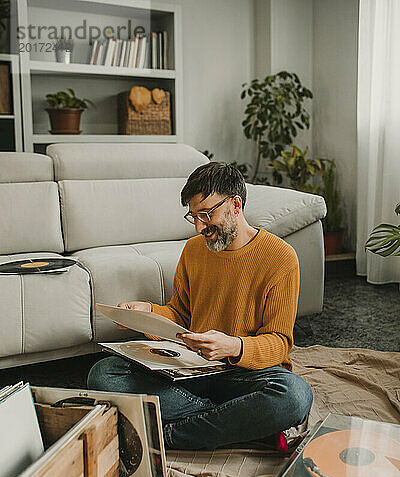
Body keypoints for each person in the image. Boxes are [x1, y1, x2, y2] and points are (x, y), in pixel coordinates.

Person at [87, 162, 313, 450]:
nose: (199, 227)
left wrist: (232, 347)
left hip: (247, 375)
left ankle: (169, 436)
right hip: (191, 371)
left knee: (294, 396)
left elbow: (279, 344)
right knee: (103, 374)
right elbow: (180, 315)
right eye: (193, 216)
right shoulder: (194, 250)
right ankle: (242, 425)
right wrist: (149, 314)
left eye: (206, 214)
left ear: (235, 204)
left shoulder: (280, 257)